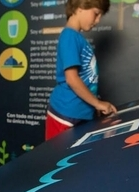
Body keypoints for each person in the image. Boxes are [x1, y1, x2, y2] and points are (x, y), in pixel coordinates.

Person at [45, 0, 117, 141]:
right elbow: (72, 79)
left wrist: (94, 103)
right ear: (80, 7)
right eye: (96, 14)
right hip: (65, 115)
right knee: (57, 160)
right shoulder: (69, 36)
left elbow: (85, 78)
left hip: (79, 114)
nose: (97, 20)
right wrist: (98, 103)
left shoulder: (77, 38)